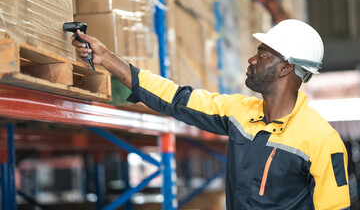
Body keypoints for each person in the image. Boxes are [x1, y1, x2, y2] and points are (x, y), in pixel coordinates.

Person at [72, 19, 350, 209]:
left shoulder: (322, 141)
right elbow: (176, 98)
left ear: (286, 68)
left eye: (263, 54)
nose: (252, 60)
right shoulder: (240, 113)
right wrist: (107, 58)